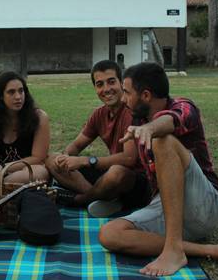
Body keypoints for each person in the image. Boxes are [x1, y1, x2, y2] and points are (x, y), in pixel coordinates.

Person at [98, 62, 218, 276]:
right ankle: (209, 250)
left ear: (145, 95)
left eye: (127, 93)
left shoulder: (184, 107)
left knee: (162, 141)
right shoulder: (138, 117)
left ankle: (174, 249)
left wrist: (150, 129)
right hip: (167, 207)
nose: (123, 99)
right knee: (109, 234)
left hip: (205, 206)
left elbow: (171, 120)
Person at [45, 60, 150, 217]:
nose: (106, 89)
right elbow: (76, 145)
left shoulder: (130, 111)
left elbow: (129, 159)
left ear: (122, 83)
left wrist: (85, 161)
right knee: (50, 159)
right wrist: (64, 158)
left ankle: (80, 200)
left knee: (116, 173)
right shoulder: (100, 114)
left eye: (111, 82)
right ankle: (104, 198)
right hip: (108, 175)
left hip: (136, 182)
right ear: (95, 88)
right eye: (100, 84)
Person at [0, 71, 50, 187]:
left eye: (21, 91)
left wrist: (6, 168)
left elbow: (38, 158)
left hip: (26, 169)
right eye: (11, 92)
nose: (18, 97)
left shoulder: (39, 117)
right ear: (1, 96)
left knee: (40, 173)